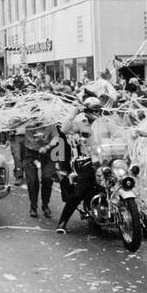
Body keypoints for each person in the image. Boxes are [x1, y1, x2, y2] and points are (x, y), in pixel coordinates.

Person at [56, 97, 102, 234]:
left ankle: (140, 224)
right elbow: (64, 130)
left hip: (107, 159)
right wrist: (73, 113)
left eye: (98, 110)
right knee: (78, 193)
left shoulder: (106, 122)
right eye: (93, 110)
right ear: (86, 111)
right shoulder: (80, 123)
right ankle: (62, 222)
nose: (96, 113)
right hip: (88, 161)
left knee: (125, 182)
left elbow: (119, 133)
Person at [20, 120, 58, 219]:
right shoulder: (29, 125)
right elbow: (32, 142)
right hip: (31, 153)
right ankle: (33, 206)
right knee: (32, 180)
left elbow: (55, 137)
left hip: (47, 153)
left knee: (47, 178)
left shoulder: (50, 124)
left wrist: (48, 146)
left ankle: (45, 205)